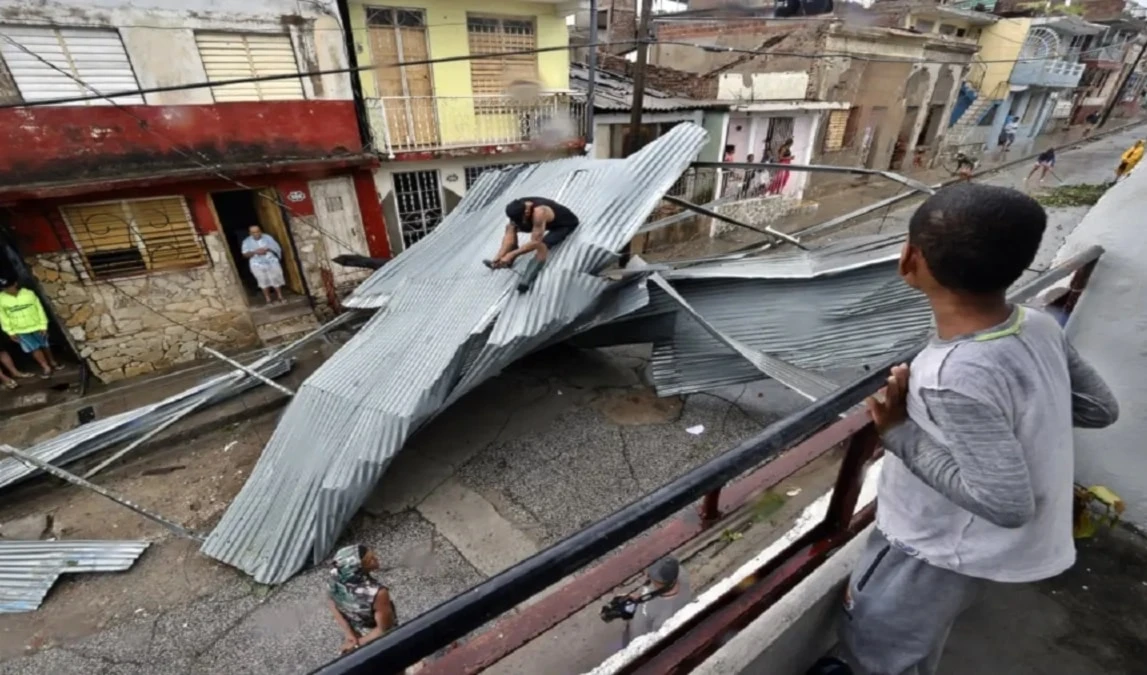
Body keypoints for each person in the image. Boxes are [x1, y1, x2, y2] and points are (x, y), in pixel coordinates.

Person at [838, 183, 1119, 675]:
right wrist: (1024, 408)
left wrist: (899, 432)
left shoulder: (951, 375)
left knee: (884, 644)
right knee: (918, 638)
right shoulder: (1037, 325)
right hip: (975, 551)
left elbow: (1007, 504)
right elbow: (1100, 409)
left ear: (909, 259)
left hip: (933, 550)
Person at [327, 544, 397, 655]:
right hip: (379, 639)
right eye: (370, 560)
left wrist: (350, 634)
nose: (376, 558)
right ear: (358, 568)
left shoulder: (336, 577)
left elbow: (332, 603)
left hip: (357, 632)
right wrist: (358, 644)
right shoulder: (377, 593)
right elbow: (385, 629)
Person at [485, 197, 579, 269]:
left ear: (526, 212)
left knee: (543, 245)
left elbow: (535, 242)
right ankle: (501, 260)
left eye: (520, 220)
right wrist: (500, 255)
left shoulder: (540, 212)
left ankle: (531, 274)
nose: (518, 222)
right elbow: (509, 235)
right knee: (510, 227)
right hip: (540, 222)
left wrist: (512, 254)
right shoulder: (517, 208)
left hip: (563, 225)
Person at [622, 556, 693, 648]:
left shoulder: (648, 616)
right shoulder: (681, 575)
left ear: (658, 582)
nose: (647, 574)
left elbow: (636, 642)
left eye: (650, 575)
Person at [0, 278, 59, 378]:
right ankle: (45, 366)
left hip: (36, 325)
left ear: (15, 284)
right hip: (20, 329)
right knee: (33, 348)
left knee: (45, 344)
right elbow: (3, 316)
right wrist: (10, 332)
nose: (8, 290)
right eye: (4, 288)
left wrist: (43, 325)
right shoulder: (1, 298)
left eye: (9, 287)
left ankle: (52, 361)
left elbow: (39, 309)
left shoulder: (28, 294)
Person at [241, 225, 285, 304]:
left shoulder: (268, 238)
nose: (256, 233)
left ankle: (280, 296)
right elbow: (245, 254)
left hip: (271, 261)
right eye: (253, 232)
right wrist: (255, 252)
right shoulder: (246, 242)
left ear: (260, 231)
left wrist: (268, 249)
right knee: (262, 280)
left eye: (257, 231)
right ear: (250, 233)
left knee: (275, 278)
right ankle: (268, 299)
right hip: (257, 264)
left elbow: (276, 248)